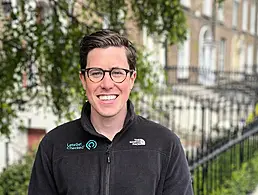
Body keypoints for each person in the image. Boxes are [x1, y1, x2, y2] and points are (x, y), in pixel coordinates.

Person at [28, 29, 193, 195]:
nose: (107, 84)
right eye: (96, 73)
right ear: (83, 80)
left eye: (117, 73)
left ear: (132, 79)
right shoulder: (54, 145)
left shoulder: (165, 145)